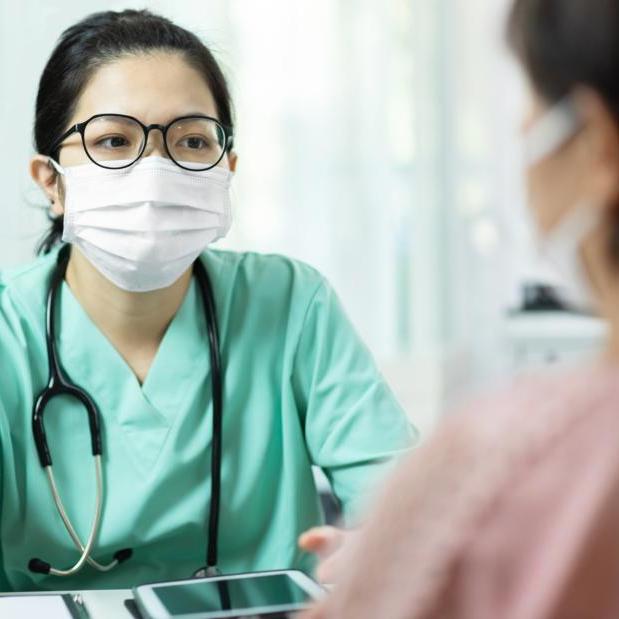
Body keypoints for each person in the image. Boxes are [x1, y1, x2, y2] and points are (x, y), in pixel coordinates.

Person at [0, 9, 416, 591]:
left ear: (227, 170)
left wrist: (385, 551)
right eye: (114, 141)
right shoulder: (8, 334)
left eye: (192, 141)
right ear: (52, 182)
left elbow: (403, 508)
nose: (154, 171)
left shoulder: (291, 304)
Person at [302, 0, 619, 617]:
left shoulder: (504, 462)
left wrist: (410, 547)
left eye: (531, 99)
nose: (520, 131)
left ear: (597, 146)